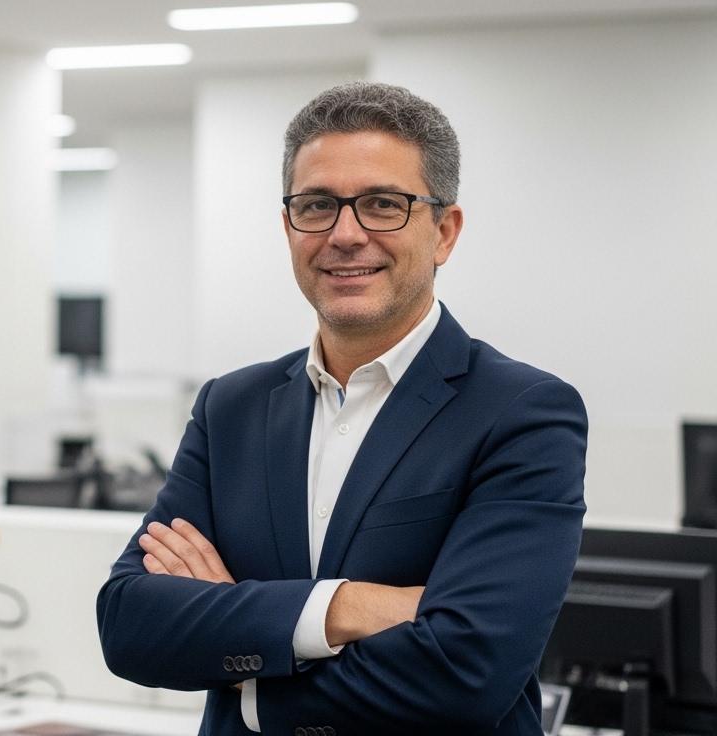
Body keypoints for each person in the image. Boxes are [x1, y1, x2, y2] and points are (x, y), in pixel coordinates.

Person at [97, 82, 586, 735]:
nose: (345, 234)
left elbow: (469, 671)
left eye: (383, 204)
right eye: (317, 206)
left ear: (444, 232)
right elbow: (130, 624)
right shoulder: (231, 408)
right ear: (288, 227)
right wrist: (346, 607)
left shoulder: (522, 413)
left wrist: (248, 670)